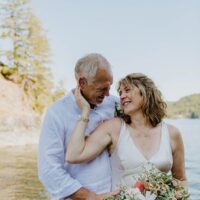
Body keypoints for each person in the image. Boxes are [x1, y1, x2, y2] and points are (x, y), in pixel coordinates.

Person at [66, 73, 187, 191]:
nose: (122, 96)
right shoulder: (114, 128)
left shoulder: (172, 133)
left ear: (145, 92)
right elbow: (73, 155)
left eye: (127, 90)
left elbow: (181, 180)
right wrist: (85, 111)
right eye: (120, 93)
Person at [38, 53, 119, 200]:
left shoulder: (114, 104)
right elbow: (48, 169)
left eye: (109, 87)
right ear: (82, 82)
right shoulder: (56, 113)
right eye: (102, 89)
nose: (108, 94)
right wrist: (89, 197)